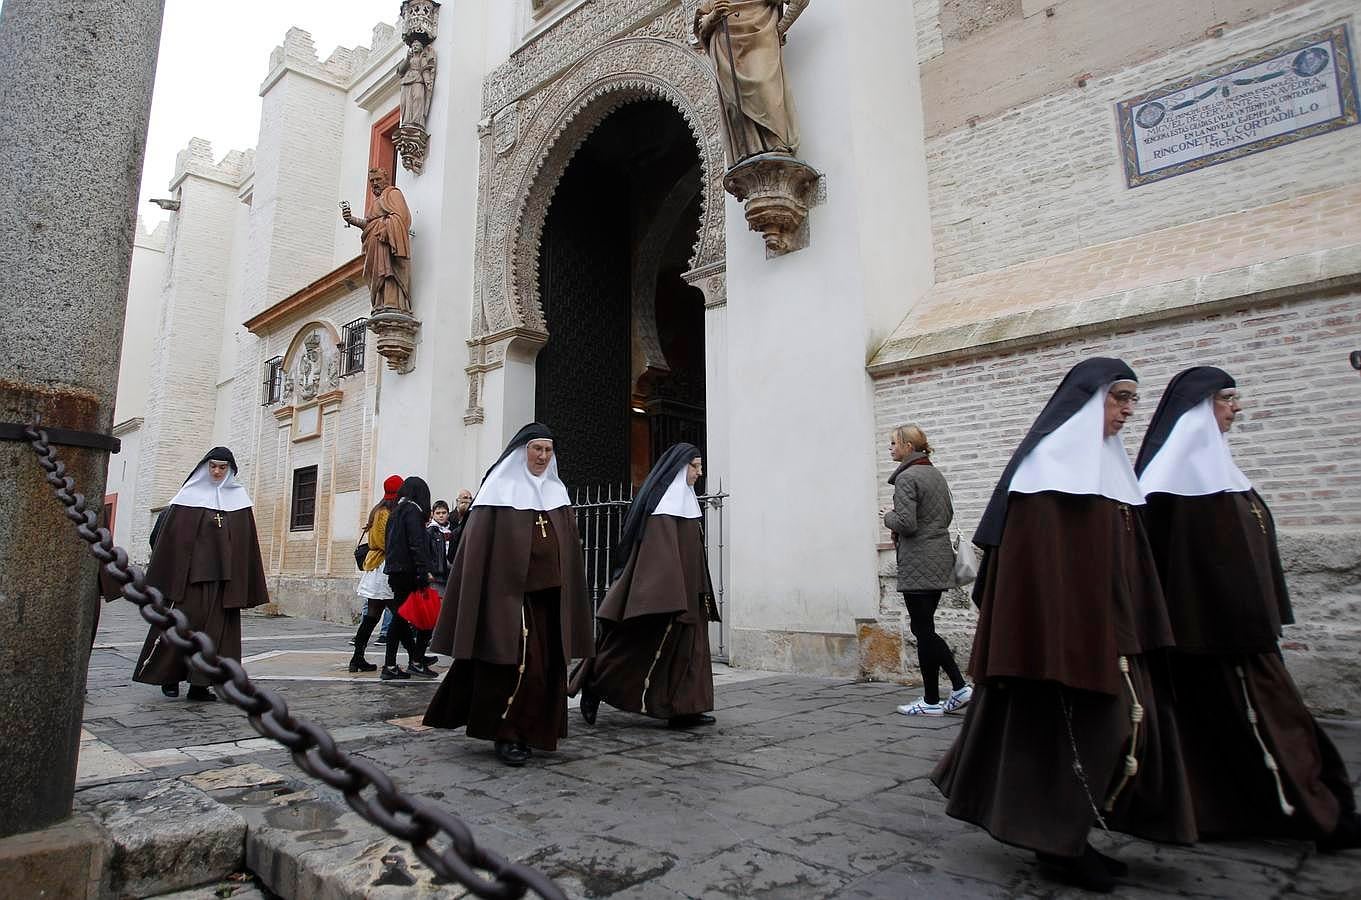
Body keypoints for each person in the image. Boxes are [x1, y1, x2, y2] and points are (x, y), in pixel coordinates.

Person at [932, 358, 1195, 893]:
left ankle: (1071, 836)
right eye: (1119, 397)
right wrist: (1056, 640)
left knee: (1118, 735)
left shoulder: (1109, 471)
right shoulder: (1045, 473)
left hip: (1111, 638)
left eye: (1132, 400)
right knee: (1081, 737)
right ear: (1088, 398)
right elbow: (1033, 574)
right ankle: (1058, 844)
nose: (1127, 410)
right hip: (1062, 645)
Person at [1135, 366, 1361, 851]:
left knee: (1256, 723)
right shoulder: (1170, 484)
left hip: (1240, 631)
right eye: (1227, 398)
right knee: (1268, 721)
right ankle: (1317, 814)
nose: (1236, 408)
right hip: (1211, 636)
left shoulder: (1220, 472)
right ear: (1200, 409)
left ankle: (1284, 809)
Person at [423, 424, 593, 766]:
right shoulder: (498, 494)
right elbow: (475, 552)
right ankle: (506, 733)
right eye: (537, 450)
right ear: (522, 452)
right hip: (508, 599)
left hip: (548, 599)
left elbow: (569, 550)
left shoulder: (557, 494)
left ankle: (532, 730)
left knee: (544, 669)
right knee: (517, 667)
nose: (543, 457)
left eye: (548, 450)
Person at [571, 444, 719, 729]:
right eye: (695, 466)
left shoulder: (685, 501)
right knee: (636, 647)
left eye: (700, 467)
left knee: (691, 650)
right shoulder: (664, 507)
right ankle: (594, 684)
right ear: (680, 468)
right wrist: (672, 594)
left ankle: (684, 708)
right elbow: (659, 556)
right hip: (667, 594)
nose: (699, 473)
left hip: (690, 592)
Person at [132, 447, 269, 700]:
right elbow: (165, 540)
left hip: (222, 584)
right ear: (205, 467)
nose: (217, 471)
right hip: (188, 582)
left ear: (230, 470)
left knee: (215, 637)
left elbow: (246, 546)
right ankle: (169, 678)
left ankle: (200, 685)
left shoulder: (239, 502)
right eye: (213, 466)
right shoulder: (186, 499)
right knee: (178, 629)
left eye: (223, 467)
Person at [880, 424, 971, 717]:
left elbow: (906, 523)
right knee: (924, 628)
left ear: (908, 446)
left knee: (923, 630)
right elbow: (946, 515)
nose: (891, 448)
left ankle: (951, 690)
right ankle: (940, 696)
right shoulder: (935, 474)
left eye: (894, 443)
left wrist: (887, 517)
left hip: (919, 561)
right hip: (938, 558)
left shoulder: (907, 478)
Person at [692, 0, 806, 164]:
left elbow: (800, 2)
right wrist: (713, 16)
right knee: (735, 103)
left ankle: (776, 143)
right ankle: (749, 149)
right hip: (726, 48)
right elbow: (701, 25)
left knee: (763, 87)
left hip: (761, 38)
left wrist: (779, 30)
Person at [381, 476, 440, 680]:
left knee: (401, 618)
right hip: (409, 572)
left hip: (396, 571)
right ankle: (407, 662)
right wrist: (423, 572)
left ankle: (406, 661)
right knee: (412, 618)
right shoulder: (413, 511)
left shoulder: (397, 511)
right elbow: (416, 544)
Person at [340, 167, 412, 313]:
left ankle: (393, 302)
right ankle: (380, 303)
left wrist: (386, 228)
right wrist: (350, 219)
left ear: (386, 178)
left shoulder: (393, 194)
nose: (375, 183)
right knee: (378, 274)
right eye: (372, 181)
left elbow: (402, 217)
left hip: (386, 243)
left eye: (378, 179)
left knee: (388, 272)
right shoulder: (376, 202)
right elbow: (368, 224)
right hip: (373, 245)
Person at [349, 475, 402, 672]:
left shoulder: (383, 510)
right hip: (382, 568)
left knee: (373, 616)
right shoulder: (383, 513)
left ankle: (357, 658)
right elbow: (382, 541)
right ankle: (409, 658)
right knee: (394, 615)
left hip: (382, 568)